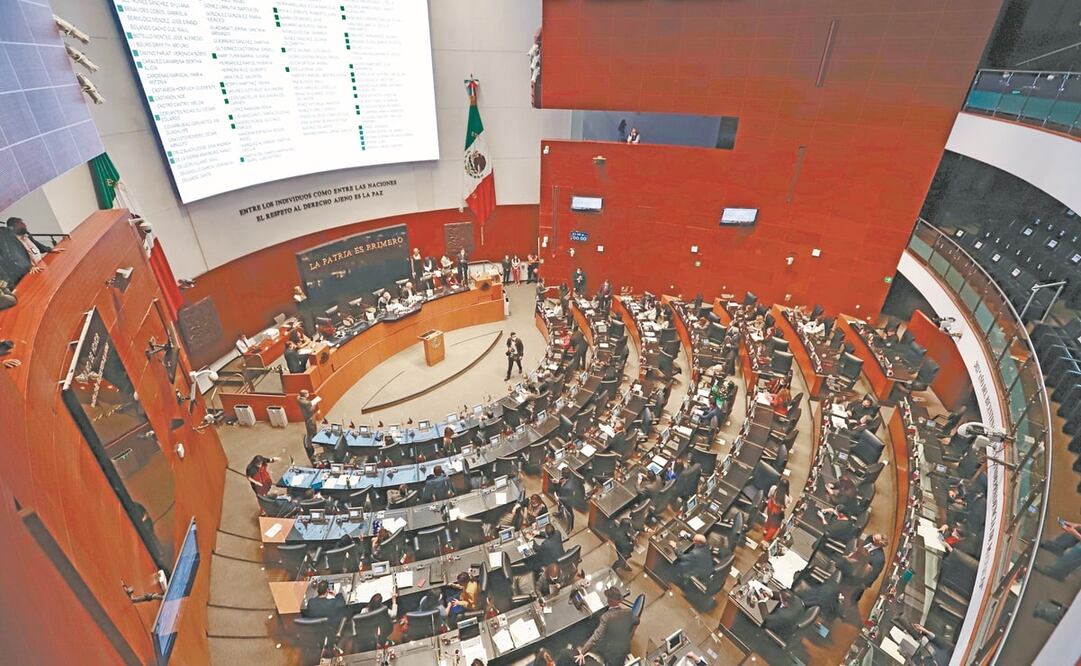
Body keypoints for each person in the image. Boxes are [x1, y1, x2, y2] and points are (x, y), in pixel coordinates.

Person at [575, 586, 636, 666]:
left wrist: (582, 652)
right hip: (624, 648)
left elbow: (596, 638)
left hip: (611, 653)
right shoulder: (628, 612)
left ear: (608, 600)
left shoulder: (606, 617)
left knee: (583, 642)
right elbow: (636, 621)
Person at [762, 478, 789, 543]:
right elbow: (785, 507)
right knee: (774, 527)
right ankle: (765, 540)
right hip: (777, 511)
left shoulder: (773, 488)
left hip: (770, 506)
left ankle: (765, 530)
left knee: (769, 519)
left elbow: (769, 496)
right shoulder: (786, 498)